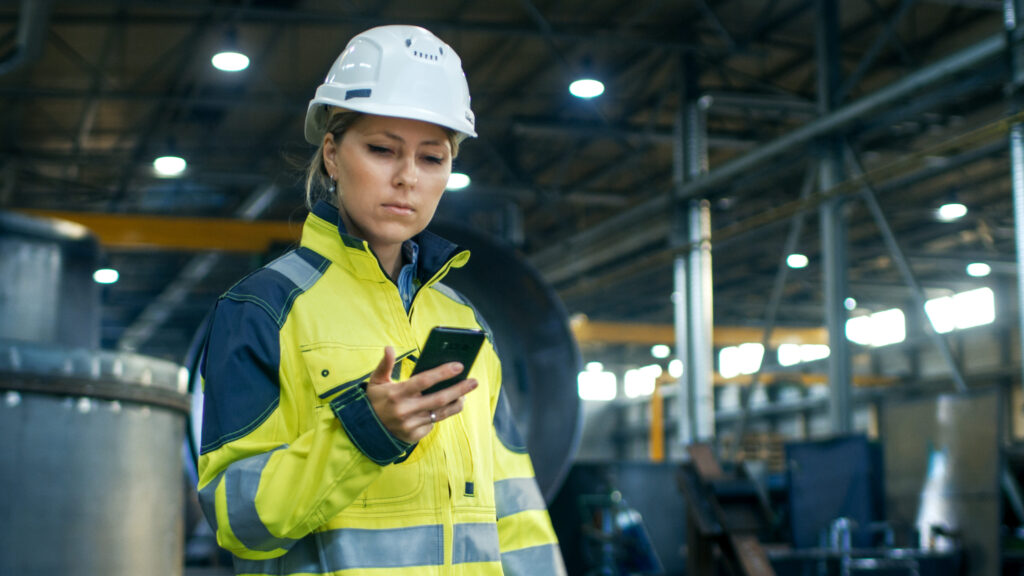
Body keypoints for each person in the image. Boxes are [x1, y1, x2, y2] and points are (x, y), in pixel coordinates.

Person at [196, 25, 566, 575]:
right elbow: (237, 520)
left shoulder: (464, 321)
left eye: (432, 158)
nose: (407, 179)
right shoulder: (262, 310)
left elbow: (515, 510)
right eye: (381, 149)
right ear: (332, 156)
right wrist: (361, 433)